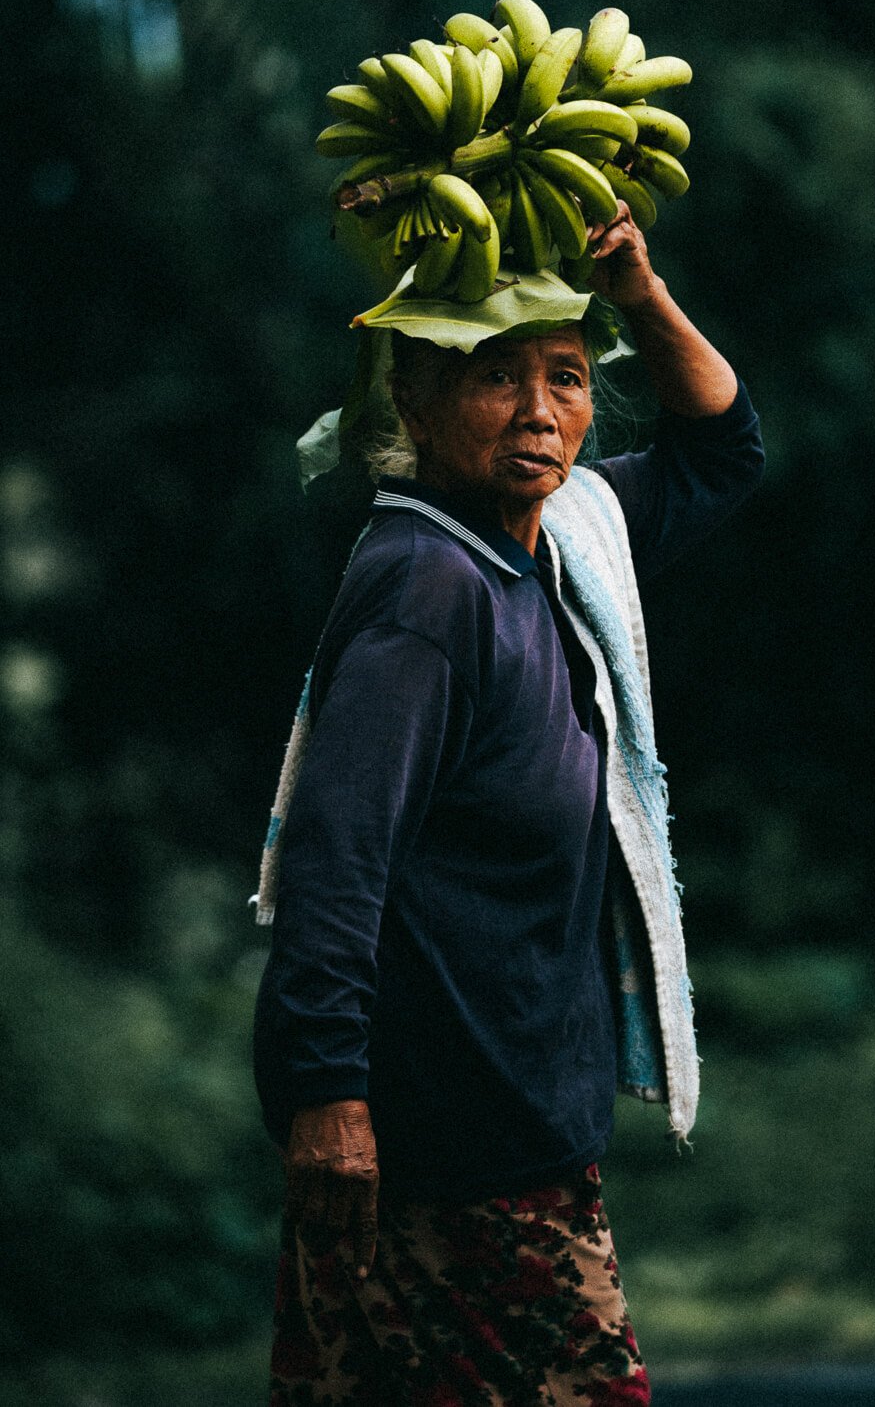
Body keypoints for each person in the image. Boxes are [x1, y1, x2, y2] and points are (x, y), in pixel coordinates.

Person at [252, 202, 764, 1405]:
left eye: (568, 378)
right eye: (495, 378)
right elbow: (339, 856)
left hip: (511, 1125)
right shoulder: (430, 592)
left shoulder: (558, 540)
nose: (539, 412)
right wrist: (330, 1092)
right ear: (413, 404)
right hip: (450, 1145)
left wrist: (637, 292)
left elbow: (724, 449)